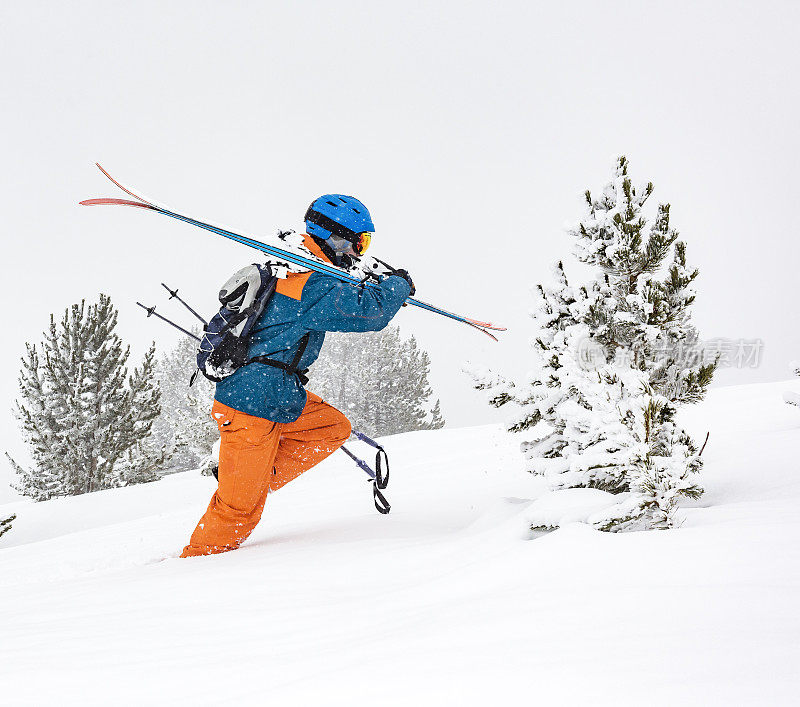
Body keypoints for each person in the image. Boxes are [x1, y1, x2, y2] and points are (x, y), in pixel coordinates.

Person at [180, 195, 413, 557]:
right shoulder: (307, 281)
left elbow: (343, 297)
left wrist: (371, 283)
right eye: (358, 242)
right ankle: (193, 565)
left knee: (330, 427)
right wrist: (396, 286)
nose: (357, 253)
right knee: (238, 511)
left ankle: (249, 478)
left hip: (276, 393)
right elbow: (369, 314)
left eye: (364, 245)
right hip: (250, 403)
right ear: (334, 236)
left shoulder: (296, 268)